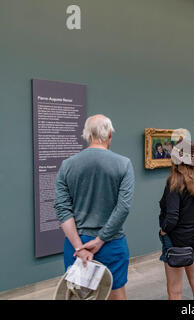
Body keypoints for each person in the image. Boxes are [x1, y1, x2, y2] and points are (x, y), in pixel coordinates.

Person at [54, 114, 135, 300]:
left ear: (87, 135)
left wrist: (79, 248)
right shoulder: (123, 164)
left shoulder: (67, 165)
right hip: (111, 242)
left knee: (80, 295)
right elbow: (123, 208)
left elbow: (61, 208)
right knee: (117, 294)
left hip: (77, 243)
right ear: (110, 135)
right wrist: (100, 240)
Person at [159, 139, 194, 300]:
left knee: (175, 290)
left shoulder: (174, 181)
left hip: (175, 242)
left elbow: (172, 217)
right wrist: (193, 223)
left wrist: (164, 230)